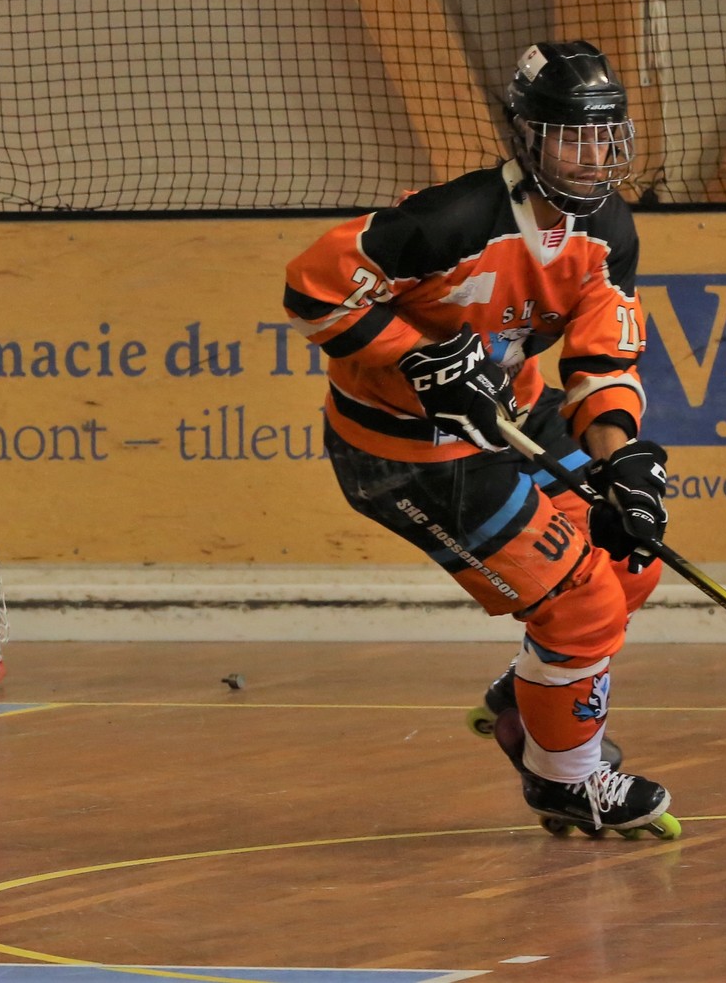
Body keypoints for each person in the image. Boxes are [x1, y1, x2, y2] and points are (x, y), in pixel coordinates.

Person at [283, 41, 680, 840]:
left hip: (513, 416)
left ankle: (529, 697)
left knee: (630, 559)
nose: (593, 156)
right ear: (527, 138)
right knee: (580, 605)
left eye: (605, 136)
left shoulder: (610, 230)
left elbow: (602, 361)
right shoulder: (451, 220)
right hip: (406, 453)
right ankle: (566, 781)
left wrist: (623, 462)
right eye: (571, 137)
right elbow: (312, 286)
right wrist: (416, 359)